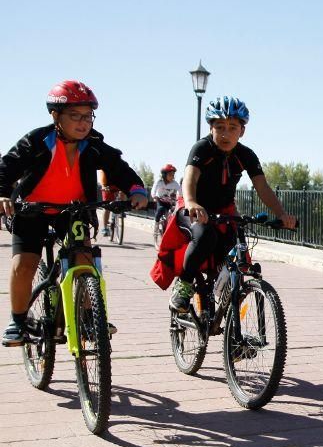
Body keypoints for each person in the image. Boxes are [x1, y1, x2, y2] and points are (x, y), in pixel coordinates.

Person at [0, 80, 148, 346]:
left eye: (88, 116)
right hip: (33, 210)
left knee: (85, 258)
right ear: (55, 116)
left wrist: (136, 189)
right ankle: (18, 321)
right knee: (24, 264)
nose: (83, 123)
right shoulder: (36, 140)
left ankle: (91, 318)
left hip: (73, 210)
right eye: (74, 116)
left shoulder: (92, 144)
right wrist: (2, 193)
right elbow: (6, 167)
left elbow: (118, 167)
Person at [160, 96, 297, 313]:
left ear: (242, 131)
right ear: (211, 127)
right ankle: (184, 285)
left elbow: (263, 187)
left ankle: (230, 319)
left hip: (224, 210)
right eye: (220, 127)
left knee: (235, 252)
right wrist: (192, 202)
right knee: (206, 236)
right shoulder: (202, 148)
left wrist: (281, 213)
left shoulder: (246, 155)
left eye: (233, 128)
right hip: (192, 206)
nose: (226, 133)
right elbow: (190, 179)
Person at [98, 169, 126, 237]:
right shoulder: (104, 167)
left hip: (118, 185)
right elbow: (102, 177)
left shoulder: (120, 165)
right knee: (107, 205)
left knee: (123, 192)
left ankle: (122, 208)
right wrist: (104, 186)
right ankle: (105, 228)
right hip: (107, 185)